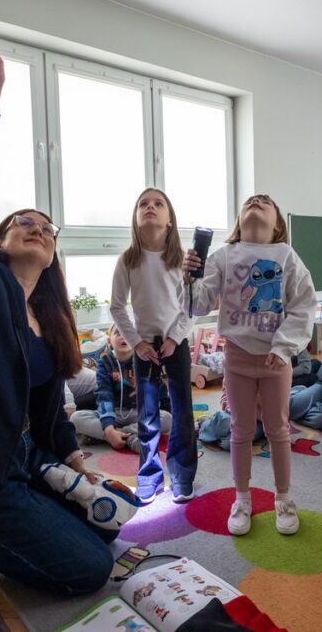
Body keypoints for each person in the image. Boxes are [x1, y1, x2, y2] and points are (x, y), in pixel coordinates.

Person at [0, 8, 139, 595]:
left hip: (19, 462)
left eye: (47, 227)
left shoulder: (49, 319)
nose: (38, 228)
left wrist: (81, 467)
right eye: (23, 222)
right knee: (90, 569)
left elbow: (46, 415)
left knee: (106, 529)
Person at [184, 194, 317, 536]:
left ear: (277, 223)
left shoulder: (286, 254)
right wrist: (188, 279)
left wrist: (284, 346)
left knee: (278, 430)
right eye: (250, 201)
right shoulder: (224, 255)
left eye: (264, 202)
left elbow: (304, 305)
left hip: (275, 359)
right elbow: (198, 305)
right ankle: (241, 498)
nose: (255, 202)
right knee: (240, 430)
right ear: (239, 219)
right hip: (237, 357)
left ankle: (283, 498)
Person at [110, 188, 197, 503]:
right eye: (143, 204)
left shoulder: (183, 260)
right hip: (144, 347)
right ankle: (148, 476)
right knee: (146, 416)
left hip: (176, 343)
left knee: (182, 412)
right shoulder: (128, 260)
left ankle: (182, 476)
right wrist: (137, 343)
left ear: (169, 219)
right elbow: (117, 307)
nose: (150, 207)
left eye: (158, 203)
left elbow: (192, 306)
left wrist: (174, 338)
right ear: (135, 218)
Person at [70, 326, 171, 453]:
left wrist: (168, 410)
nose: (123, 336)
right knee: (76, 418)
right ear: (109, 341)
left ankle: (119, 435)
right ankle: (122, 436)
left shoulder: (145, 360)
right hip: (114, 414)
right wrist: (108, 427)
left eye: (127, 333)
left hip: (139, 414)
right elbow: (104, 394)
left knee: (167, 418)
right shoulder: (104, 364)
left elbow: (159, 388)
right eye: (118, 333)